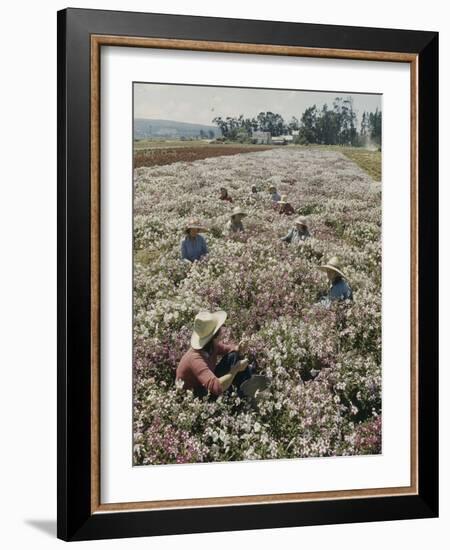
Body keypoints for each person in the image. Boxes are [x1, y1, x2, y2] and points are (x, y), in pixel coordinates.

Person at [176, 310, 268, 398]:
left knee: (233, 355)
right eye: (220, 330)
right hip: (195, 395)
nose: (222, 331)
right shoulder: (195, 359)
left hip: (206, 383)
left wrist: (239, 348)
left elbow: (227, 349)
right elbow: (216, 387)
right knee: (234, 367)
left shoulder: (210, 346)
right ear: (214, 337)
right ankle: (244, 395)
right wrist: (235, 370)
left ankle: (248, 388)